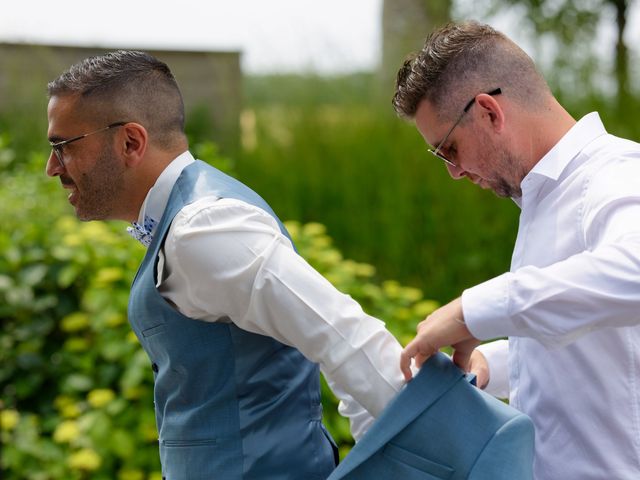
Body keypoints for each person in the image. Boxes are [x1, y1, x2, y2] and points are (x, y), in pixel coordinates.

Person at [45, 50, 406, 479]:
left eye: (63, 147)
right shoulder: (186, 221)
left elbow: (344, 336)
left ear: (130, 142)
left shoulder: (204, 228)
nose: (52, 168)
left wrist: (390, 462)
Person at [393, 20, 640, 480]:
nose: (454, 172)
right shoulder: (542, 197)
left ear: (489, 112)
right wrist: (497, 362)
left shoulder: (616, 175)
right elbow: (595, 335)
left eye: (448, 149)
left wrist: (472, 310)